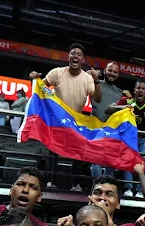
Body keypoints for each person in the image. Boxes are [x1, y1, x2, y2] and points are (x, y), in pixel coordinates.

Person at [29, 43, 103, 191]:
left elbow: (98, 99)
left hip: (76, 121)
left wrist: (96, 80)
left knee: (78, 154)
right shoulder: (57, 72)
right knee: (52, 151)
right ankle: (50, 182)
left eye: (79, 54)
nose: (75, 56)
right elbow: (40, 87)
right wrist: (35, 79)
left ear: (83, 60)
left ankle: (76, 185)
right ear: (68, 56)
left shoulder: (87, 79)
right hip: (57, 119)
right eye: (73, 53)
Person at [91, 61, 128, 178]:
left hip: (112, 131)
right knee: (95, 160)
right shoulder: (95, 84)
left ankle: (107, 185)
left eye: (115, 72)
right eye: (110, 70)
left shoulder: (120, 93)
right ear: (104, 71)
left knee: (111, 162)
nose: (112, 73)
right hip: (95, 127)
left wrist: (128, 97)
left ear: (118, 75)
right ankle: (97, 185)